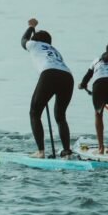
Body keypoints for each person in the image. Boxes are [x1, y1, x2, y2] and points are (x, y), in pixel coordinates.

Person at [21, 18, 74, 158]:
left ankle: (40, 152)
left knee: (34, 112)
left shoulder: (34, 44)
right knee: (61, 116)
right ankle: (67, 151)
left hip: (49, 74)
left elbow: (23, 40)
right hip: (67, 76)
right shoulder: (55, 50)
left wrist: (31, 27)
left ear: (36, 40)